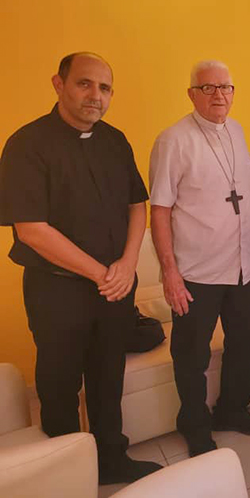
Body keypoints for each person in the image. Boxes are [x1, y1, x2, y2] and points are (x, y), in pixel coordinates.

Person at [0, 52, 161, 483]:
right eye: (84, 84)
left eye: (105, 88)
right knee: (58, 387)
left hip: (114, 286)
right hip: (57, 292)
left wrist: (127, 264)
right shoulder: (26, 144)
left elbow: (135, 205)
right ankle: (64, 475)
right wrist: (102, 273)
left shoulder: (115, 140)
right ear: (59, 83)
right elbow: (31, 229)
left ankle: (111, 461)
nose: (96, 96)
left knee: (108, 380)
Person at [149, 60, 250, 457]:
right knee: (191, 355)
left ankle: (232, 410)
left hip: (244, 267)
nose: (219, 95)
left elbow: (245, 172)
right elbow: (160, 210)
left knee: (247, 342)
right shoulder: (172, 140)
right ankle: (194, 423)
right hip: (198, 273)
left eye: (226, 88)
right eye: (208, 88)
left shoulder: (234, 129)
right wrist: (170, 273)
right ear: (191, 94)